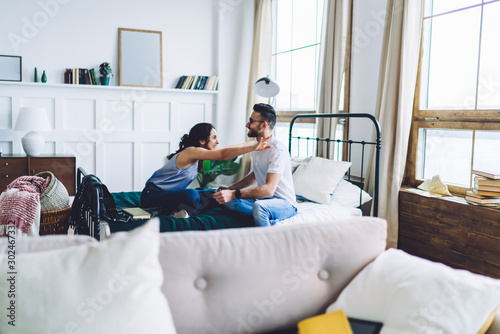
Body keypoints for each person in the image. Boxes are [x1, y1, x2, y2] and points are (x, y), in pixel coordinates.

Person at [141, 122, 271, 218]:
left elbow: (225, 149)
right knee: (191, 195)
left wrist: (254, 144)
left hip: (170, 195)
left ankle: (181, 212)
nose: (217, 141)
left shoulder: (198, 156)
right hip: (152, 196)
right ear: (202, 140)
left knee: (216, 194)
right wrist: (253, 147)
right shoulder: (191, 152)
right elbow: (223, 154)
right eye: (214, 137)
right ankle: (176, 213)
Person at [213, 103, 297, 226]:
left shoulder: (277, 150)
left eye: (251, 121)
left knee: (259, 207)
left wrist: (235, 193)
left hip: (284, 203)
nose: (247, 125)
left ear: (264, 125)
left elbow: (269, 190)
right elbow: (255, 174)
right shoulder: (257, 146)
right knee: (227, 200)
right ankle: (269, 220)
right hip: (264, 200)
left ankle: (264, 241)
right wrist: (230, 188)